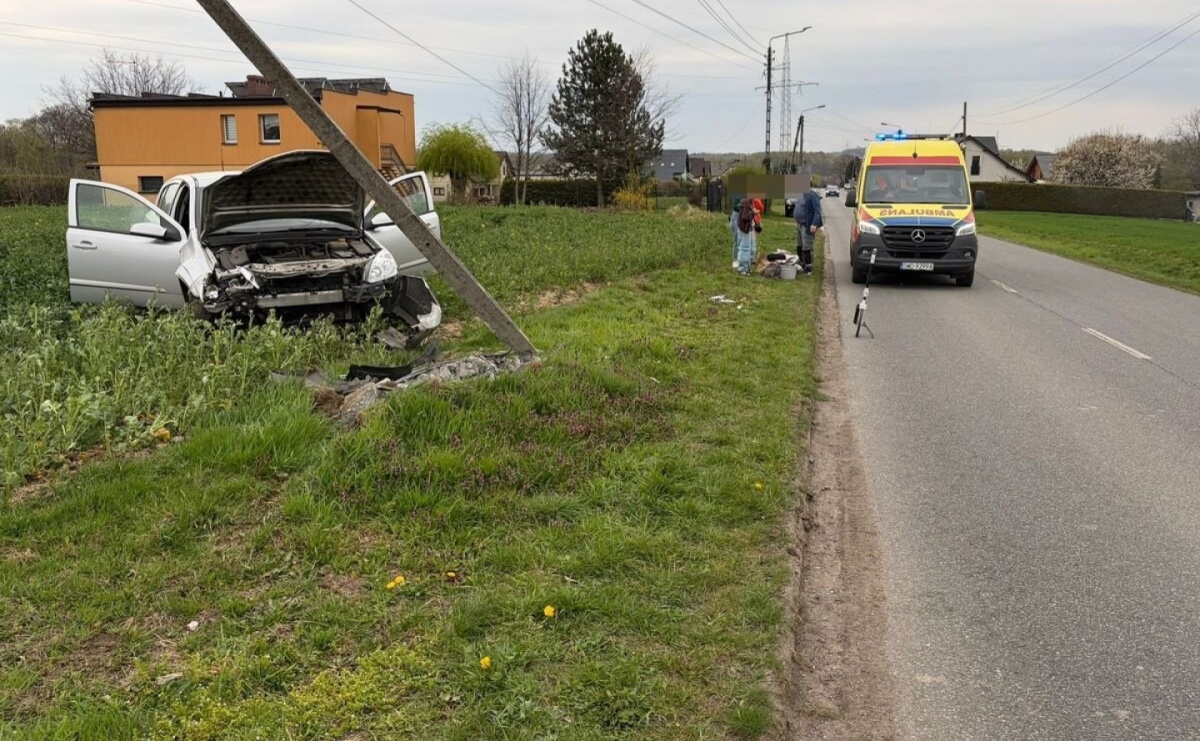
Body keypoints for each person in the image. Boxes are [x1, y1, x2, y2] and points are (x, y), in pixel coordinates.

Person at [794, 189, 823, 274]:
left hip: (807, 225)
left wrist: (814, 224)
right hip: (799, 224)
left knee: (806, 246)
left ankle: (808, 267)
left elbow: (817, 211)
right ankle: (801, 263)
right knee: (799, 245)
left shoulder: (812, 195)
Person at [734, 198, 761, 275]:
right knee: (744, 248)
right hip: (744, 229)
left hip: (749, 228)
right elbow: (745, 216)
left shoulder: (750, 202)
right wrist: (753, 213)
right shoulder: (746, 202)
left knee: (751, 248)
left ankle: (747, 267)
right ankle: (742, 268)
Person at [729, 198, 742, 269]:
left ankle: (741, 259)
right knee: (736, 239)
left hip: (742, 216)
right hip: (736, 216)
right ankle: (735, 259)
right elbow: (736, 206)